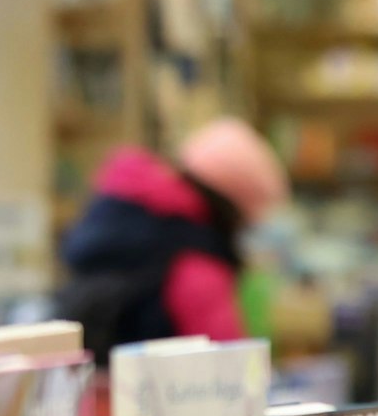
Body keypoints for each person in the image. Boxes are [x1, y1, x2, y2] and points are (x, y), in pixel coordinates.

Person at [54, 118, 289, 363]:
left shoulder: (114, 223)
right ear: (232, 208)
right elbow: (229, 374)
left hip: (94, 393)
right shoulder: (197, 258)